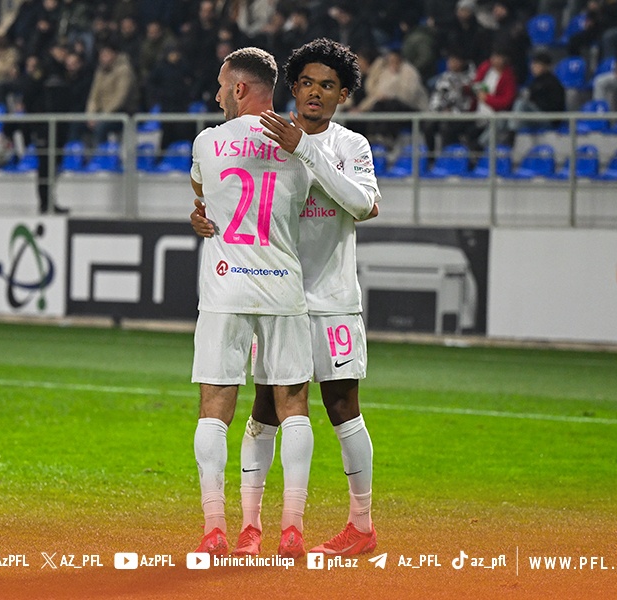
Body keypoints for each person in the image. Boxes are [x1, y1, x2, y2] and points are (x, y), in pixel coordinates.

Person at [192, 38, 381, 557]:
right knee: (264, 411)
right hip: (278, 294)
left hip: (332, 297)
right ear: (292, 87)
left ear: (343, 95)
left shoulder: (348, 145)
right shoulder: (265, 137)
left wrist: (307, 149)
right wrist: (204, 216)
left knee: (342, 408)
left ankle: (361, 523)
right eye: (307, 83)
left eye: (328, 85)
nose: (315, 93)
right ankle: (252, 527)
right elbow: (224, 197)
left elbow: (364, 205)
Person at [189, 46, 315, 559]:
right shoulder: (299, 143)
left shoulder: (207, 141)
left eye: (223, 86)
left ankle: (215, 528)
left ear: (239, 88)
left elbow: (201, 194)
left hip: (225, 290)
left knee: (214, 409)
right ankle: (292, 528)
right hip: (282, 286)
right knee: (293, 407)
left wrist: (202, 216)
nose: (218, 94)